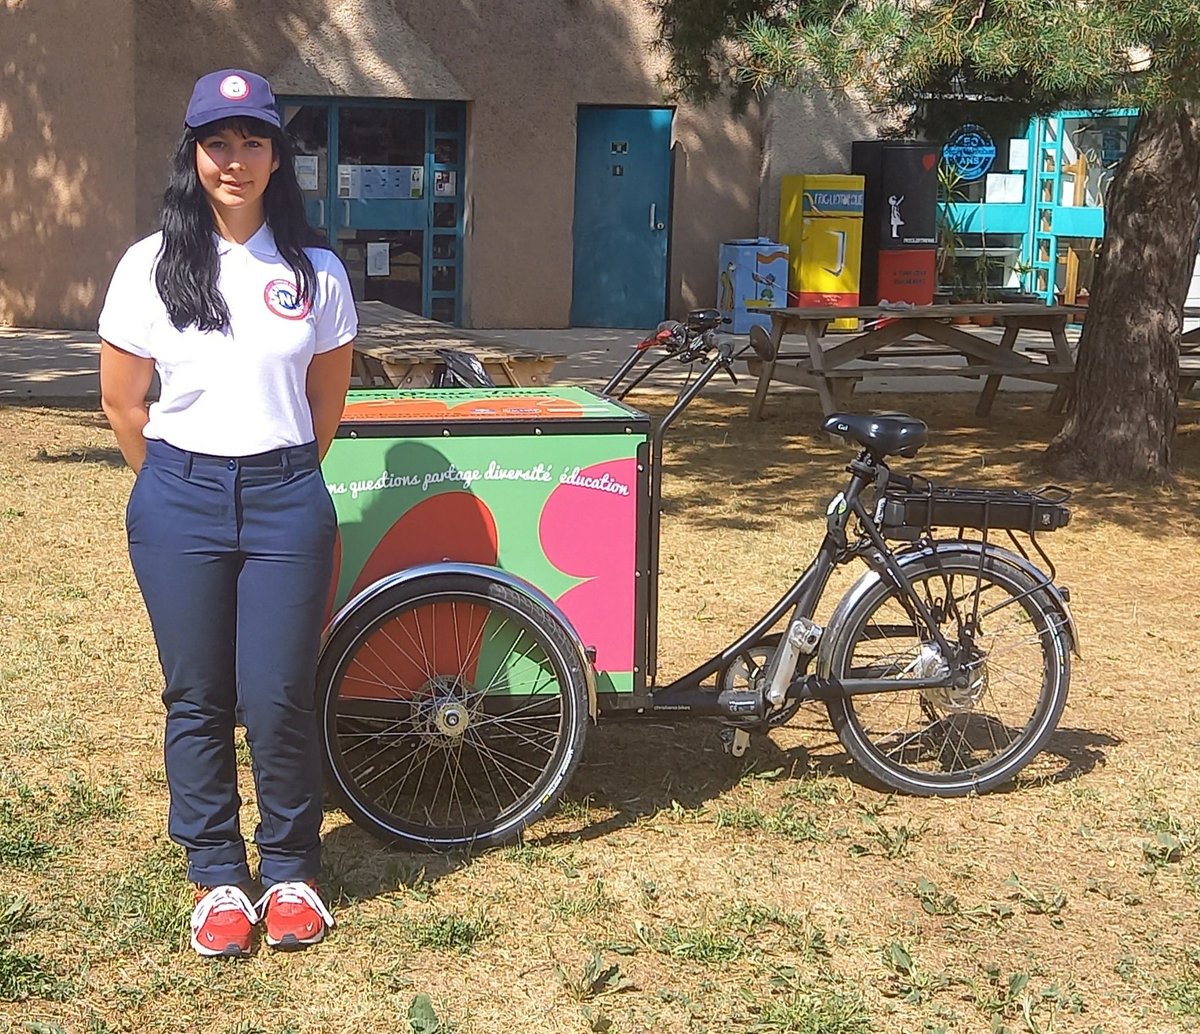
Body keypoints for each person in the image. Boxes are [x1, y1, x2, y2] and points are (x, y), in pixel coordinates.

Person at [98, 69, 356, 957]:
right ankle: (216, 876)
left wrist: (273, 476)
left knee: (278, 694)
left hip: (288, 496)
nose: (234, 160)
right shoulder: (150, 265)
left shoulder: (315, 271)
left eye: (253, 141)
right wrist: (180, 483)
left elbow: (326, 406)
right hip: (179, 496)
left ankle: (290, 869)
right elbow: (124, 403)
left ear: (279, 155)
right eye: (218, 142)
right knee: (198, 694)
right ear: (193, 153)